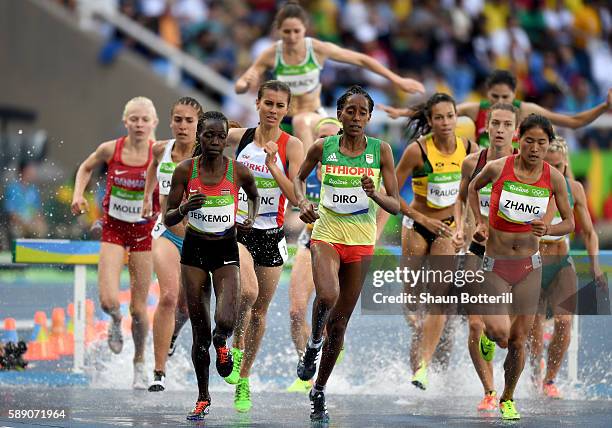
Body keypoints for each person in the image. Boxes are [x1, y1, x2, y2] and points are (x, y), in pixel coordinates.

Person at [294, 85, 400, 422]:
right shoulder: (322, 147)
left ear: (370, 117)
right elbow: (299, 180)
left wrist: (376, 193)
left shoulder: (380, 150)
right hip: (326, 234)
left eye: (362, 112)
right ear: (339, 114)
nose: (356, 117)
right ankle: (312, 344)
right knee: (327, 294)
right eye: (349, 111)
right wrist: (304, 202)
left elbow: (395, 204)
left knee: (339, 327)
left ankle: (319, 389)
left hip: (361, 242)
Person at [467, 114, 574, 420]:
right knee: (500, 334)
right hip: (495, 264)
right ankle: (489, 337)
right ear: (518, 139)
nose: (536, 148)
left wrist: (548, 230)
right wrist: (480, 222)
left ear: (548, 144)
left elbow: (569, 222)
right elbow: (473, 188)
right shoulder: (499, 168)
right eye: (530, 141)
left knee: (517, 341)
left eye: (542, 142)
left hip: (530, 266)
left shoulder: (554, 178)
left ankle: (508, 398)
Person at [163, 110, 259, 420]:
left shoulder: (238, 172)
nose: (216, 141)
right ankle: (203, 397)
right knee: (199, 333)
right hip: (194, 251)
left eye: (221, 136)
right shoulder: (184, 171)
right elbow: (168, 217)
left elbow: (254, 197)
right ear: (199, 137)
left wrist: (250, 219)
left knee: (226, 321)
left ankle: (223, 343)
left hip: (225, 250)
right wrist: (184, 207)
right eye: (209, 135)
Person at [235, 0, 424, 151]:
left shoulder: (316, 49)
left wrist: (397, 80)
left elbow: (361, 60)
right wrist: (244, 84)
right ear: (279, 30)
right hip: (282, 119)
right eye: (286, 32)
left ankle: (312, 180)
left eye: (296, 32)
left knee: (324, 128)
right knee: (244, 135)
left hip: (314, 114)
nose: (292, 37)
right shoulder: (272, 53)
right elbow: (244, 81)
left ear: (305, 29)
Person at [224, 80, 304, 413]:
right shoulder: (238, 138)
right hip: (239, 229)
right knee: (248, 293)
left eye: (279, 106)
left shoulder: (292, 146)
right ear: (256, 104)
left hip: (272, 234)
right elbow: (201, 137)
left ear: (287, 110)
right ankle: (235, 343)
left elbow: (296, 197)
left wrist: (273, 165)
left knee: (259, 311)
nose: (272, 110)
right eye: (267, 103)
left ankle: (244, 379)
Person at [71, 96, 159, 388]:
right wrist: (78, 194)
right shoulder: (111, 149)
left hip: (145, 233)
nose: (139, 124)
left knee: (138, 309)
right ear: (125, 122)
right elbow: (85, 167)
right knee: (108, 300)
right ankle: (113, 320)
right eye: (134, 119)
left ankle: (139, 363)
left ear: (154, 123)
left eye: (145, 119)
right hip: (114, 229)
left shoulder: (160, 153)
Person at [394, 93, 475, 390]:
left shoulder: (469, 150)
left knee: (440, 297)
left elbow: (473, 196)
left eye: (449, 116)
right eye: (438, 117)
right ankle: (420, 355)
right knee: (414, 302)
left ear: (457, 117)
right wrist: (423, 219)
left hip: (447, 229)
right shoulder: (417, 152)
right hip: (416, 224)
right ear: (430, 121)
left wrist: (467, 227)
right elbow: (391, 193)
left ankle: (424, 370)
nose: (444, 122)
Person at [528, 137, 606, 398]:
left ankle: (549, 380)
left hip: (561, 263)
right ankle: (533, 379)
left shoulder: (574, 189)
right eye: (548, 166)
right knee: (534, 328)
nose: (554, 172)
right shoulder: (528, 186)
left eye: (559, 166)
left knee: (564, 322)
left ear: (565, 165)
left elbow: (589, 231)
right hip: (532, 264)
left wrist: (595, 267)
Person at [452, 102, 518, 411]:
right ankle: (489, 391)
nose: (501, 130)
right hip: (477, 249)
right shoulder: (471, 162)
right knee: (475, 324)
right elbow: (462, 197)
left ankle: (500, 352)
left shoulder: (525, 166)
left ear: (515, 131)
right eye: (496, 124)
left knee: (504, 335)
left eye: (507, 124)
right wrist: (463, 226)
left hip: (511, 254)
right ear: (486, 128)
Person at [142, 97, 203, 392]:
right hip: (165, 233)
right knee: (167, 296)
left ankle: (173, 336)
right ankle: (158, 371)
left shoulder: (208, 153)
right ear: (170, 121)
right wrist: (146, 197)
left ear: (198, 124)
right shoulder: (160, 149)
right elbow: (153, 168)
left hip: (197, 237)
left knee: (185, 306)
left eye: (189, 121)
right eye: (178, 119)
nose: (182, 125)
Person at [380, 69, 612, 147]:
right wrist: (402, 113)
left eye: (505, 96)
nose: (500, 102)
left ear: (515, 94)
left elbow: (573, 122)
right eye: (494, 96)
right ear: (486, 94)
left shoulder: (525, 109)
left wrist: (604, 107)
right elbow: (436, 110)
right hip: (483, 177)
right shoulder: (475, 109)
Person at [287, 117, 342, 393]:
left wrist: (374, 236)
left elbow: (380, 205)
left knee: (333, 318)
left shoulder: (352, 169)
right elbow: (299, 122)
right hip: (310, 242)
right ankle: (305, 373)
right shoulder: (307, 169)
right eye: (320, 136)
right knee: (297, 311)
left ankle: (327, 376)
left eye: (331, 136)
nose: (325, 142)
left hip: (343, 245)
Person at [4, 159, 49, 239]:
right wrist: (24, 223)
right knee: (17, 231)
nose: (33, 173)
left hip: (32, 222)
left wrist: (37, 220)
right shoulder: (12, 189)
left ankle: (36, 250)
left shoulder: (34, 190)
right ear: (23, 171)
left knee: (42, 229)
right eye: (30, 170)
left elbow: (38, 211)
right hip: (18, 223)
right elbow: (11, 213)